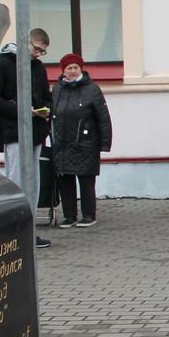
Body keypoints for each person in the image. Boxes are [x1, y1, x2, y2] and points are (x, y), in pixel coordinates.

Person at [0, 28, 54, 248]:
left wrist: (45, 109)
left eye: (43, 51)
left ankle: (28, 230)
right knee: (16, 179)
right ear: (25, 42)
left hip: (36, 131)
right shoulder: (4, 64)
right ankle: (12, 231)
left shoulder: (37, 67)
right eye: (37, 48)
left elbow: (47, 97)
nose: (39, 54)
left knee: (33, 183)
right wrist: (19, 109)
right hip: (15, 131)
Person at [51, 53, 113, 229]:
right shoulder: (57, 89)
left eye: (75, 68)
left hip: (85, 143)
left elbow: (103, 117)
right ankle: (69, 215)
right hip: (62, 143)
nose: (72, 71)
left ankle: (88, 215)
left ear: (81, 69)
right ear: (63, 71)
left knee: (86, 180)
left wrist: (104, 143)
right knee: (65, 180)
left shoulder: (92, 89)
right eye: (69, 68)